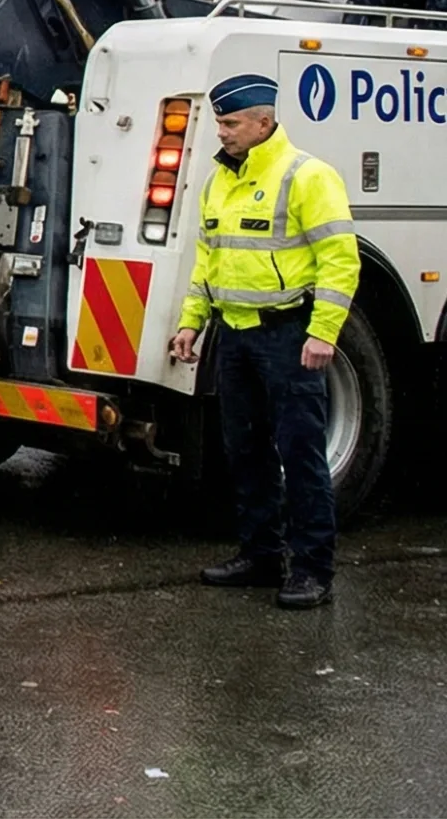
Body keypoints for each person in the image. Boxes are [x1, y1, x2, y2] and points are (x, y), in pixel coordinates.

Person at [169, 71, 358, 611]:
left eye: (230, 124)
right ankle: (260, 556)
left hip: (288, 336)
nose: (222, 133)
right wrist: (191, 322)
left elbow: (340, 261)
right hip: (234, 337)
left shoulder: (307, 176)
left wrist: (323, 334)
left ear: (263, 122)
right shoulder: (219, 180)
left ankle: (313, 570)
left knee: (300, 455)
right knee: (245, 452)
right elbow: (208, 261)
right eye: (220, 123)